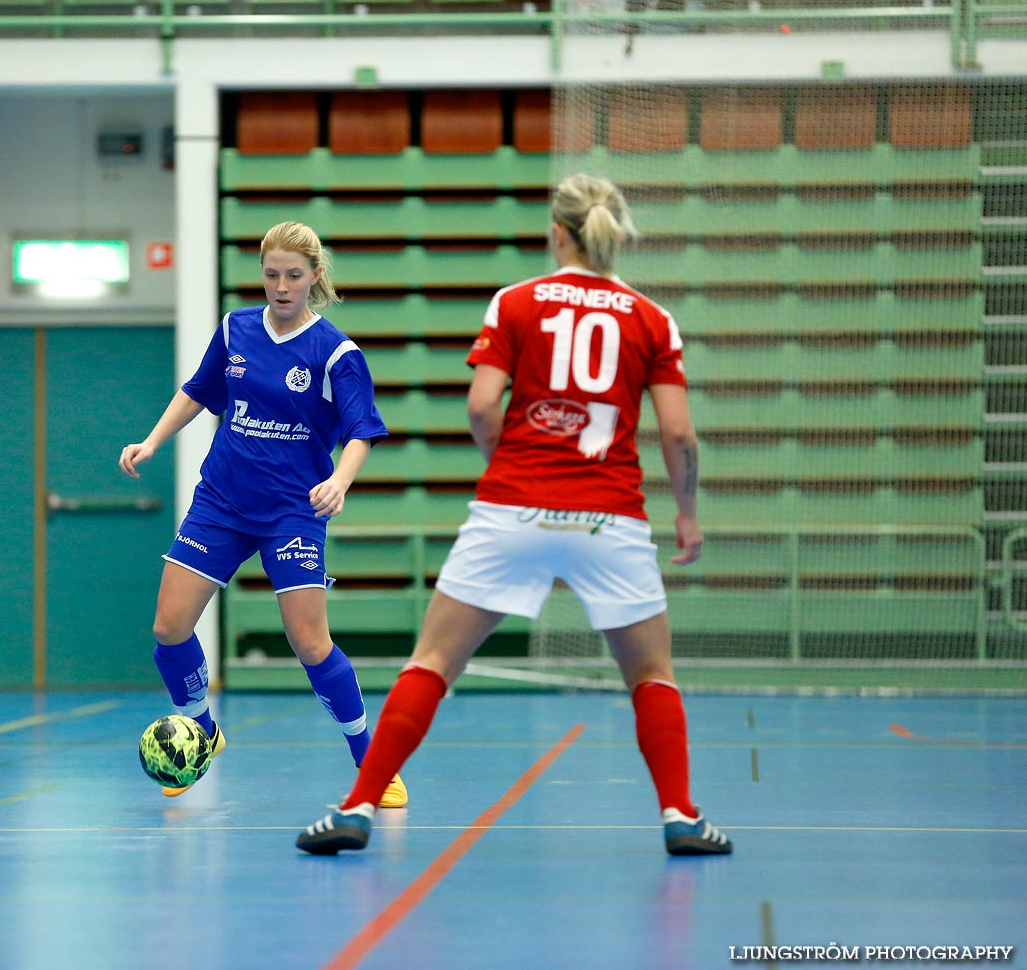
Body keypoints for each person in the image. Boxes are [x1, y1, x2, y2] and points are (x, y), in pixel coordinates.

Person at [297, 174, 732, 857]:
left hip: (512, 508)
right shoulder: (650, 318)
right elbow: (678, 434)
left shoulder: (517, 303)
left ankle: (357, 807)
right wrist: (687, 515)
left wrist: (509, 462)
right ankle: (680, 815)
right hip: (607, 516)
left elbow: (479, 405)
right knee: (651, 674)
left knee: (433, 661)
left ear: (558, 233)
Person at [120, 221, 406, 807]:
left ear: (315, 277)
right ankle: (202, 731)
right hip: (221, 500)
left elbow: (361, 431)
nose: (281, 286)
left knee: (309, 641)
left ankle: (372, 763)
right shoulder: (235, 329)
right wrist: (153, 442)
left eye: (293, 276)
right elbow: (197, 391)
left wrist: (340, 480)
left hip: (291, 512)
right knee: (168, 628)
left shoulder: (336, 353)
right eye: (271, 274)